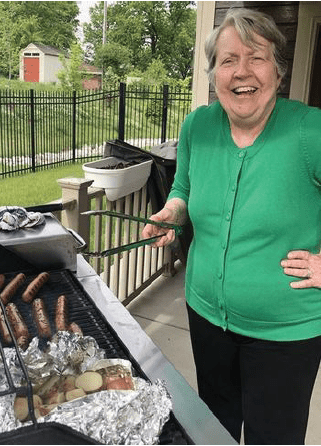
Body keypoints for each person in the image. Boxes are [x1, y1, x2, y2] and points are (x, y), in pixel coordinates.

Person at [141, 8, 321, 445]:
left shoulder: (309, 131)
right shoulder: (198, 126)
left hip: (284, 333)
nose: (242, 71)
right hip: (205, 315)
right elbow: (183, 186)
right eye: (228, 60)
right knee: (214, 426)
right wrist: (175, 212)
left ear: (277, 72)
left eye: (256, 57)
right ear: (213, 74)